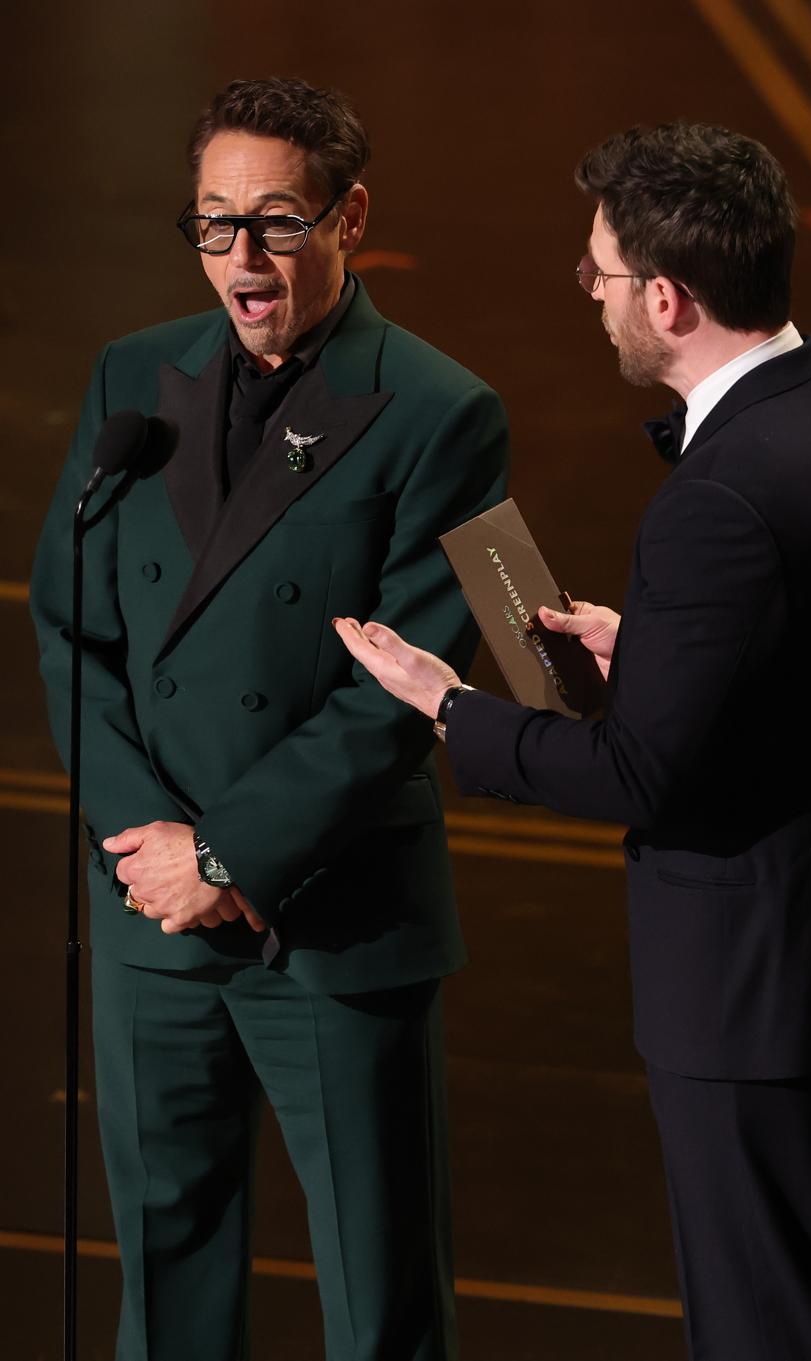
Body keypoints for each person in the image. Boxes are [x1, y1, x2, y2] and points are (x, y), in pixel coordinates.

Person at [335, 121, 811, 1361]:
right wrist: (666, 650)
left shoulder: (711, 498)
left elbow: (635, 774)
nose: (592, 296)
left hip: (743, 981)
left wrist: (451, 702)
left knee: (759, 1329)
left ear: (665, 298)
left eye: (599, 275)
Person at [31, 76, 509, 1361]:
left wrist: (227, 854)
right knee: (165, 1267)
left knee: (379, 1292)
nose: (241, 257)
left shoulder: (440, 412)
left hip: (332, 923)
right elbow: (70, 624)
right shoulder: (134, 374)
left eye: (277, 222)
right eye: (213, 222)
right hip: (152, 915)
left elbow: (398, 690)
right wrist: (151, 845)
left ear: (349, 218)